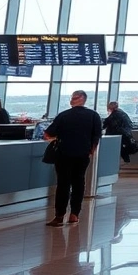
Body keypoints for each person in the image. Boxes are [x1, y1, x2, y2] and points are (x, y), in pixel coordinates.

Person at [42, 90, 102, 226]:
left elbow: (47, 134)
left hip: (63, 154)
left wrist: (57, 138)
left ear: (73, 100)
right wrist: (90, 151)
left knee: (63, 184)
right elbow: (96, 137)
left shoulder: (63, 116)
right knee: (78, 182)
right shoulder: (94, 116)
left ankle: (59, 216)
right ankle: (74, 214)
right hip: (82, 154)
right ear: (84, 100)